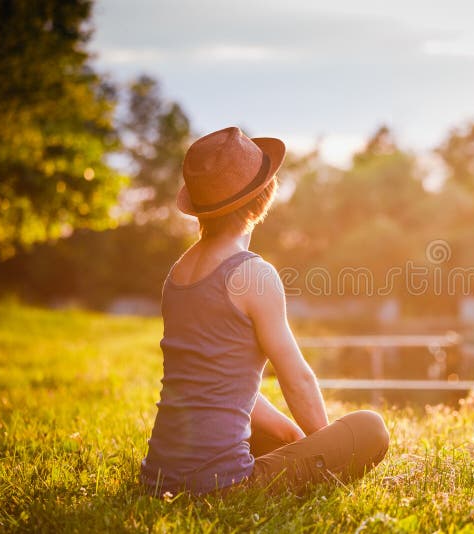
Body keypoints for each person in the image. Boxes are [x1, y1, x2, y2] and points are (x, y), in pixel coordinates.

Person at [140, 126, 389, 496]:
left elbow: (217, 384)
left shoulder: (178, 274)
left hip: (158, 479)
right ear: (263, 198)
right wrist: (320, 448)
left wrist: (291, 435)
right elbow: (298, 379)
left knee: (275, 433)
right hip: (222, 486)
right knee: (371, 429)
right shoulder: (253, 274)